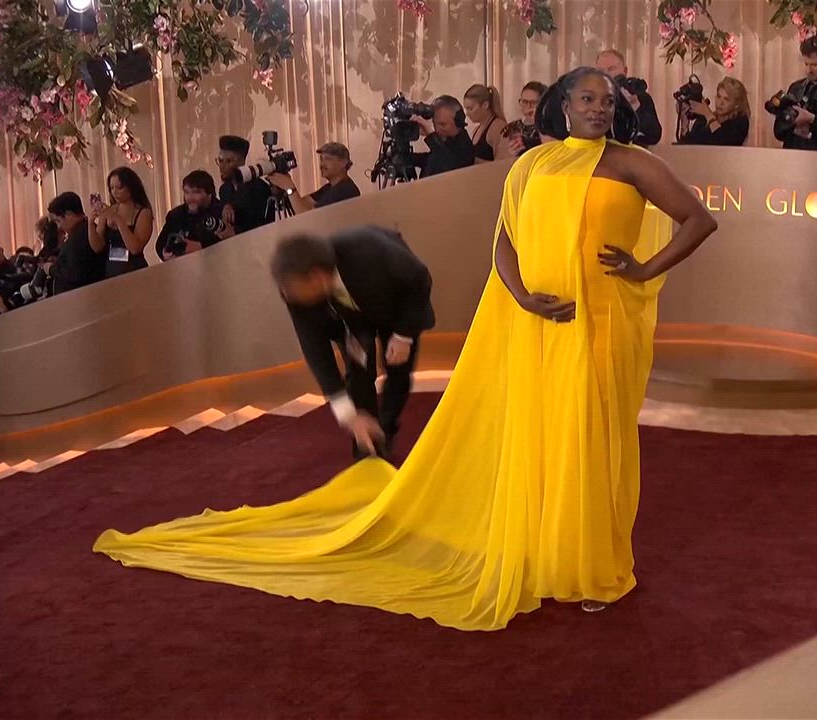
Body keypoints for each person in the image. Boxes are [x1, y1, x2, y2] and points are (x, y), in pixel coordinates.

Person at [93, 65, 718, 631]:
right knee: (542, 437)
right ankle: (547, 552)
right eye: (587, 99)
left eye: (607, 100)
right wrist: (524, 297)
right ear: (565, 105)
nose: (599, 108)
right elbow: (504, 243)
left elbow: (698, 219)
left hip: (602, 323)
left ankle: (595, 566)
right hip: (537, 325)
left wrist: (643, 269)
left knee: (595, 436)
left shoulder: (632, 163)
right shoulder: (533, 166)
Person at [273, 228, 435, 461]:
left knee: (398, 370)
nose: (286, 295)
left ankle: (386, 429)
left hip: (395, 306)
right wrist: (348, 415)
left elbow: (418, 278)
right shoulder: (294, 294)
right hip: (351, 321)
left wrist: (403, 336)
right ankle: (368, 443)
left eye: (290, 288)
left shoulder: (369, 249)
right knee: (358, 374)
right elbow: (315, 348)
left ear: (316, 276)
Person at [91, 167, 154, 279]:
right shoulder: (109, 210)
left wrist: (118, 220)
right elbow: (97, 247)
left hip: (134, 270)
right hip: (112, 270)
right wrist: (90, 222)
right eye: (112, 188)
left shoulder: (143, 213)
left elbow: (135, 248)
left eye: (119, 187)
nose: (115, 192)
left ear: (131, 187)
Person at [156, 170, 231, 260]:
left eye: (196, 192)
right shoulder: (176, 215)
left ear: (210, 193)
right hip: (182, 266)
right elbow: (160, 244)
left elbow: (229, 241)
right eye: (186, 192)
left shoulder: (223, 211)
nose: (190, 197)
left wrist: (201, 246)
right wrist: (165, 254)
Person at [268, 143, 361, 214]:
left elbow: (306, 215)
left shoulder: (345, 190)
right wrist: (284, 182)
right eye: (321, 159)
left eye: (328, 159)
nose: (322, 164)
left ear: (344, 162)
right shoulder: (329, 187)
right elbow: (303, 203)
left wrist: (289, 187)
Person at [596, 48, 663, 146]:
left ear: (625, 71)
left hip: (632, 153)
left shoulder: (640, 97)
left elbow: (653, 137)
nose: (606, 74)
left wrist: (635, 106)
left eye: (611, 69)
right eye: (601, 71)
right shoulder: (592, 101)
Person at [48, 191, 106, 295]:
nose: (59, 227)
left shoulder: (80, 236)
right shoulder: (84, 231)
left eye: (58, 221)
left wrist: (50, 269)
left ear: (69, 215)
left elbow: (75, 273)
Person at [216, 135, 275, 234]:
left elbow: (263, 227)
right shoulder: (224, 189)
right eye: (220, 161)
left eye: (228, 161)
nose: (222, 166)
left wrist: (234, 233)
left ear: (242, 162)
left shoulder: (259, 188)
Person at [678, 77, 751, 146]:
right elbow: (688, 147)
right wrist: (685, 122)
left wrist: (708, 114)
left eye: (726, 99)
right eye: (719, 96)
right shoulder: (703, 120)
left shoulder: (740, 121)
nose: (720, 103)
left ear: (736, 105)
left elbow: (723, 143)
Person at [415, 96, 476, 177]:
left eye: (443, 124)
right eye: (434, 123)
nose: (437, 129)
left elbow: (447, 165)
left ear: (458, 121)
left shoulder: (465, 147)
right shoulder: (446, 141)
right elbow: (431, 159)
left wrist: (430, 134)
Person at [463, 84, 509, 162]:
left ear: (485, 105)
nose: (467, 113)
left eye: (470, 108)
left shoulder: (498, 126)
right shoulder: (476, 129)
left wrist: (473, 161)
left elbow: (501, 162)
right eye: (466, 109)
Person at [503, 81, 547, 156]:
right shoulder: (513, 128)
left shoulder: (549, 128)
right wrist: (511, 155)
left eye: (533, 102)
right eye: (524, 102)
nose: (528, 106)